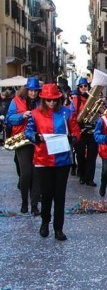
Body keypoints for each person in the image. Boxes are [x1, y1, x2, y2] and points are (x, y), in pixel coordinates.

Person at [25, 84, 78, 241]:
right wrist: (36, 136)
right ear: (43, 100)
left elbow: (75, 131)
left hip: (62, 160)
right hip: (43, 160)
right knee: (46, 194)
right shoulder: (35, 114)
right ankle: (45, 222)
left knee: (60, 195)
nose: (52, 103)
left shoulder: (66, 113)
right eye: (49, 100)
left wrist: (72, 138)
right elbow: (28, 131)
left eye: (54, 100)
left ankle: (58, 228)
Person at [7, 78, 42, 214]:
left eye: (35, 91)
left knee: (36, 174)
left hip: (37, 139)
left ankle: (34, 205)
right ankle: (24, 203)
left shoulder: (41, 102)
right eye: (31, 90)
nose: (33, 93)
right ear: (26, 90)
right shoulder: (15, 101)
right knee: (26, 173)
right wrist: (23, 115)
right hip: (22, 140)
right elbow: (9, 118)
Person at [71, 77, 98, 187]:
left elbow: (99, 113)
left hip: (91, 130)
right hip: (80, 131)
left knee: (92, 155)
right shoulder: (75, 100)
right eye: (81, 86)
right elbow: (72, 116)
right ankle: (82, 176)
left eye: (85, 86)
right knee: (80, 155)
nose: (83, 88)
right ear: (78, 88)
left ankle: (90, 178)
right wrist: (76, 130)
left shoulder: (94, 99)